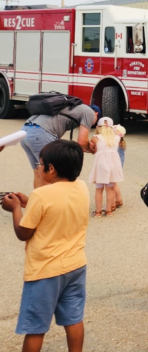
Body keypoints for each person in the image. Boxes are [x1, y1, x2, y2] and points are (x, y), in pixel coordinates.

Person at [2, 140, 89, 352]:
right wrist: (28, 202)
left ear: (51, 169)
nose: (39, 168)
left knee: (35, 327)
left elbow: (23, 232)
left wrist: (15, 209)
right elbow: (56, 206)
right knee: (73, 319)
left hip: (44, 271)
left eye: (40, 165)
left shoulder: (42, 195)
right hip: (75, 266)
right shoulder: (82, 186)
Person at [21, 102, 100, 190]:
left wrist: (87, 146)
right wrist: (93, 149)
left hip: (25, 130)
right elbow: (81, 142)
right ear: (96, 113)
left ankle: (36, 201)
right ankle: (48, 202)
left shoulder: (72, 107)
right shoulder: (89, 113)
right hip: (41, 133)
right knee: (51, 174)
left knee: (39, 172)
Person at [86, 117, 124, 217]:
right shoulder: (116, 138)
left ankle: (98, 211)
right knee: (110, 188)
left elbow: (92, 149)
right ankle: (108, 211)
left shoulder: (95, 138)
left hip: (101, 165)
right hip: (113, 165)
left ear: (99, 127)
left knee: (99, 189)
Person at [112, 125, 127, 210]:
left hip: (114, 166)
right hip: (119, 166)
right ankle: (118, 200)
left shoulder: (115, 143)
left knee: (111, 185)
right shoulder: (122, 143)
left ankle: (113, 202)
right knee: (114, 184)